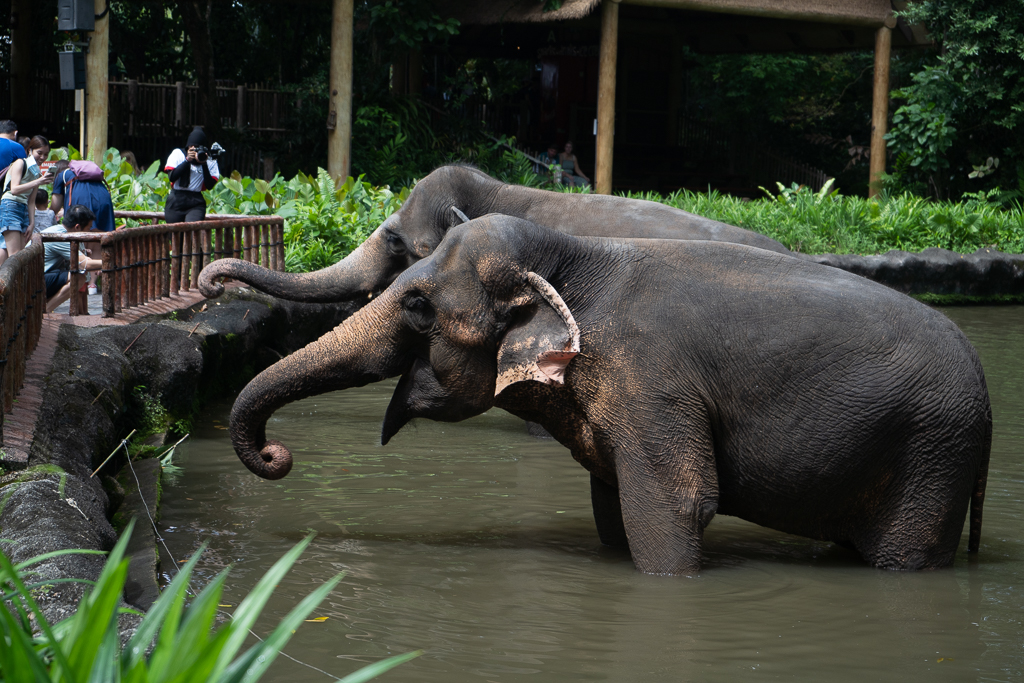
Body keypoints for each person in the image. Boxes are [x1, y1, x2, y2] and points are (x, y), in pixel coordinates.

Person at [51, 158, 116, 294]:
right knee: (98, 239)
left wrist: (50, 214)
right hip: (103, 198)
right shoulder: (86, 174)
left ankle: (84, 283)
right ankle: (93, 284)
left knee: (82, 239)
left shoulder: (61, 175)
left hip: (80, 198)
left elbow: (55, 206)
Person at [0, 135, 53, 267]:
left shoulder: (36, 172)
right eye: (39, 153)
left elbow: (31, 200)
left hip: (23, 209)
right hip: (10, 206)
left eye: (46, 154)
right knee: (15, 255)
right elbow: (14, 189)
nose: (42, 157)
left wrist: (32, 223)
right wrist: (39, 181)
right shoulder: (20, 163)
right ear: (30, 150)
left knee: (21, 254)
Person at [43, 205, 101, 314]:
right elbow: (85, 264)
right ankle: (45, 311)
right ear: (77, 227)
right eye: (88, 228)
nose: (89, 233)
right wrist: (110, 262)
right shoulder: (61, 237)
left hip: (39, 276)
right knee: (78, 277)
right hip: (34, 281)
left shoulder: (58, 230)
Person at [163, 126, 220, 222]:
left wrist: (204, 163)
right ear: (188, 147)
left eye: (198, 148)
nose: (195, 150)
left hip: (195, 201)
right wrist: (187, 160)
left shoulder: (210, 160)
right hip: (176, 199)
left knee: (192, 231)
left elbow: (209, 185)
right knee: (174, 234)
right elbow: (172, 177)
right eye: (192, 147)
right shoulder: (178, 154)